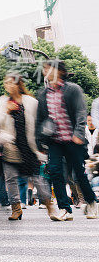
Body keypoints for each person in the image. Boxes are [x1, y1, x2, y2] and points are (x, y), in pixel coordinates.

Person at [35, 60, 99, 220]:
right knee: (56, 173)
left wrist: (78, 133)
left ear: (59, 71)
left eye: (48, 69)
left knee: (79, 173)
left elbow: (80, 112)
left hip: (73, 139)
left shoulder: (72, 90)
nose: (45, 72)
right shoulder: (43, 94)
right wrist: (40, 141)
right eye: (44, 70)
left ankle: (92, 202)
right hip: (55, 141)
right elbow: (40, 119)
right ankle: (65, 209)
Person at [0, 73, 56, 221]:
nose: (9, 86)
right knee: (11, 178)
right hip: (10, 145)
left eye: (11, 83)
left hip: (28, 145)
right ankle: (16, 209)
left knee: (37, 178)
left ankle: (49, 206)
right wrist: (6, 111)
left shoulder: (31, 101)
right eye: (6, 83)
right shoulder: (1, 101)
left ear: (19, 84)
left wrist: (42, 143)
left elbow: (40, 121)